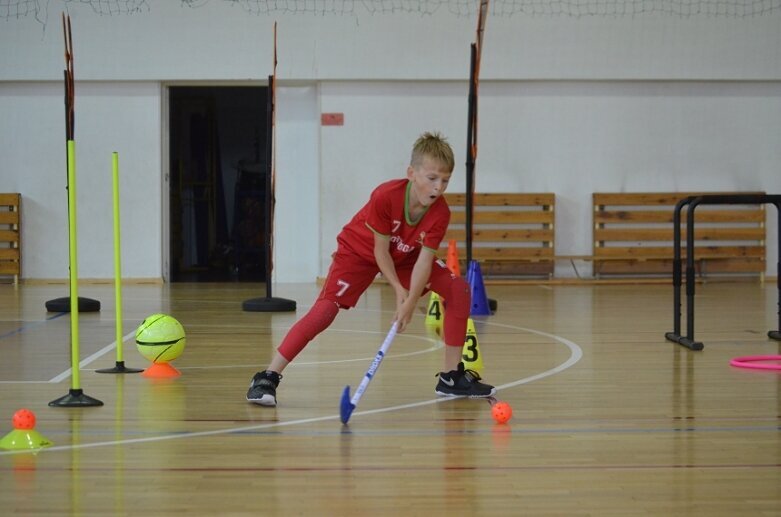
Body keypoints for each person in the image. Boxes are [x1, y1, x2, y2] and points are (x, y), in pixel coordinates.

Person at [246, 131, 495, 406]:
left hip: (407, 257)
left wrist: (410, 301)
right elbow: (380, 251)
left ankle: (450, 379)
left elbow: (424, 260)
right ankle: (267, 376)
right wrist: (399, 290)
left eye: (445, 180)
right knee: (326, 310)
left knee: (458, 289)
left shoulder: (440, 213)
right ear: (412, 173)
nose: (438, 188)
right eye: (432, 178)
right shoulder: (386, 195)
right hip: (359, 252)